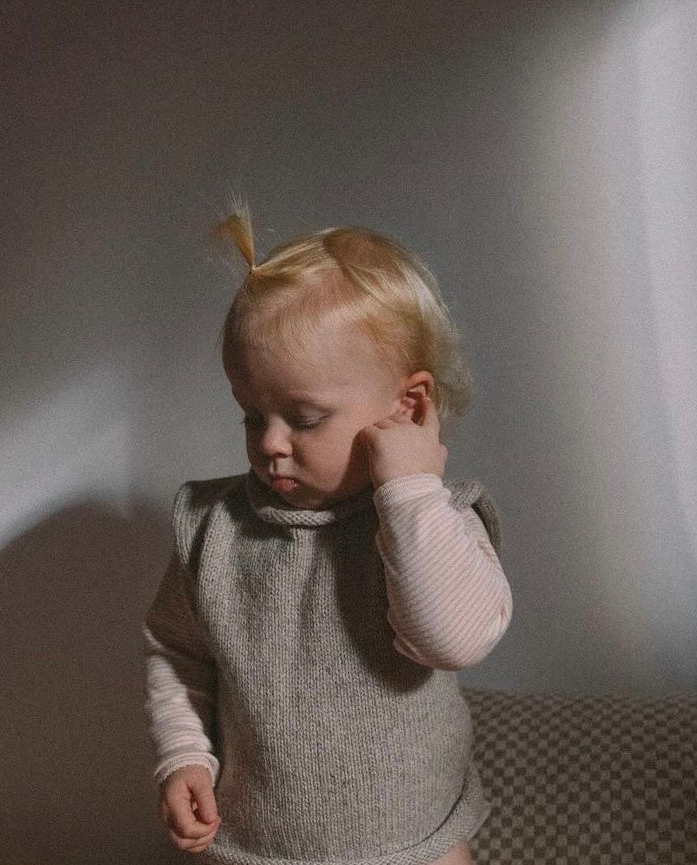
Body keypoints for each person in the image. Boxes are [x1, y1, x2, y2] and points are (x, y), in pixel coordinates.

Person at [144, 206, 512, 865]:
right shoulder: (212, 526)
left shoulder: (438, 520)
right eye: (251, 414)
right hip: (257, 843)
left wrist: (406, 489)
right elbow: (176, 650)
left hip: (414, 842)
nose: (270, 443)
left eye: (304, 417)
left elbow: (450, 639)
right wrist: (184, 754)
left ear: (410, 406)